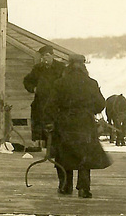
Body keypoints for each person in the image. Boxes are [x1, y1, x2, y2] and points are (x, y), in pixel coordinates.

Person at [44, 53, 112, 198]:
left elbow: (50, 106)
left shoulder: (60, 83)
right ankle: (84, 188)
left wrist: (54, 120)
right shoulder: (91, 83)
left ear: (68, 65)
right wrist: (88, 111)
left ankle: (65, 187)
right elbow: (101, 104)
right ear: (83, 66)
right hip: (85, 124)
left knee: (64, 156)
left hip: (65, 124)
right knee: (84, 157)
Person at [23, 44, 66, 148]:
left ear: (52, 55)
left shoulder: (61, 68)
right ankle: (46, 147)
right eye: (43, 56)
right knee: (43, 125)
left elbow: (67, 83)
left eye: (47, 55)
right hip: (41, 102)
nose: (44, 58)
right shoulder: (38, 68)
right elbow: (27, 81)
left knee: (57, 126)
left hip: (57, 103)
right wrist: (33, 89)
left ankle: (56, 149)